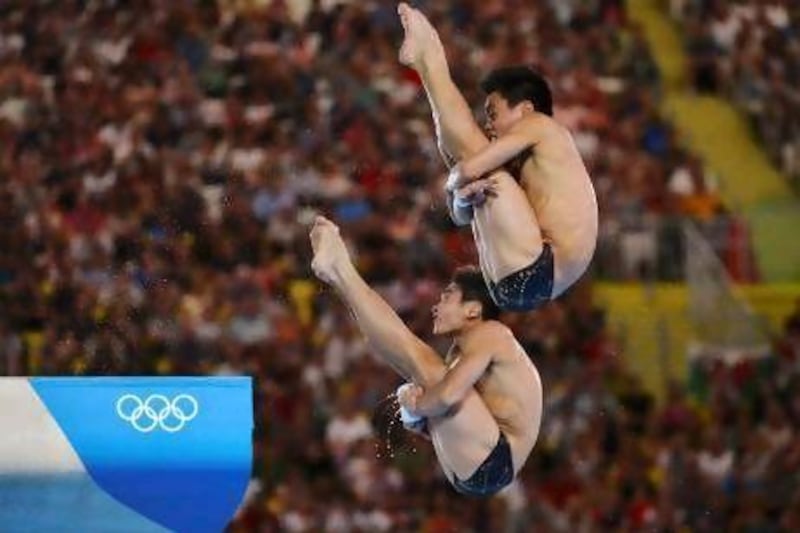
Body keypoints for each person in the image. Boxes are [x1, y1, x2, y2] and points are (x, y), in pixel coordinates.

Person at [309, 216, 542, 497]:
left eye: (447, 296)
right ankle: (339, 275)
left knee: (421, 361)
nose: (436, 305)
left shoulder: (494, 333)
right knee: (407, 358)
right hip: (476, 467)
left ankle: (341, 270)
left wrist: (416, 407)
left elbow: (445, 398)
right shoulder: (462, 351)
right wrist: (417, 410)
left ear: (472, 310)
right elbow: (440, 414)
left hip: (495, 459)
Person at [397, 3, 598, 312]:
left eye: (493, 113)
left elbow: (468, 167)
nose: (488, 123)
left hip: (536, 269)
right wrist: (462, 195)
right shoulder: (523, 161)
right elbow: (459, 216)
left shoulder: (541, 126)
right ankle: (426, 61)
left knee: (475, 158)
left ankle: (430, 52)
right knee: (478, 173)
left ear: (526, 109)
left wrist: (455, 183)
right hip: (519, 281)